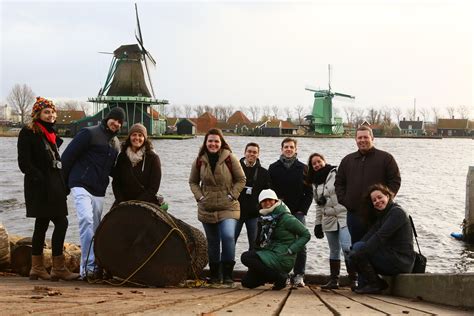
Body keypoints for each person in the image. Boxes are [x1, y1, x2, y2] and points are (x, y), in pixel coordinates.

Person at [17, 97, 79, 281]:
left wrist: (62, 184)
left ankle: (38, 268)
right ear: (37, 114)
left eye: (52, 112)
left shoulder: (49, 134)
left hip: (54, 186)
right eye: (46, 112)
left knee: (42, 224)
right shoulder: (28, 133)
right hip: (40, 187)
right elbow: (24, 163)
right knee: (61, 222)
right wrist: (40, 179)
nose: (51, 115)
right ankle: (54, 268)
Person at [61, 106, 125, 280]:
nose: (116, 123)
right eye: (114, 119)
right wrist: (63, 185)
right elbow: (67, 157)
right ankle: (86, 269)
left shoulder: (116, 143)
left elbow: (113, 170)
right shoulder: (88, 133)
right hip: (80, 183)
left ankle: (95, 266)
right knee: (86, 220)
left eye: (120, 122)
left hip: (99, 189)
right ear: (107, 118)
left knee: (96, 228)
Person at [188, 128, 246, 286]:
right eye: (210, 141)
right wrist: (199, 197)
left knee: (228, 236)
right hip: (207, 206)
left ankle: (227, 274)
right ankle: (215, 275)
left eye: (216, 141)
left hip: (228, 206)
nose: (213, 144)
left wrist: (232, 195)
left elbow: (241, 179)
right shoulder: (200, 160)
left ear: (221, 143)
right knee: (212, 242)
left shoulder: (230, 158)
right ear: (206, 143)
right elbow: (193, 181)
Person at [335, 125, 401, 245]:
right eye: (359, 138)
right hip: (354, 215)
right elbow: (339, 183)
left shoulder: (386, 158)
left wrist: (385, 201)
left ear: (372, 138)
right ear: (355, 140)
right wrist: (345, 200)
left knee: (379, 248)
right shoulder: (347, 160)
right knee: (357, 249)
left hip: (378, 214)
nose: (362, 140)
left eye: (366, 137)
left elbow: (395, 181)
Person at [349, 184, 416, 294]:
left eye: (380, 197)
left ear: (388, 196)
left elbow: (379, 237)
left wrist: (359, 253)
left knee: (359, 249)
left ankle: (375, 284)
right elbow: (370, 235)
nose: (377, 201)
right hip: (390, 256)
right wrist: (353, 252)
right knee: (356, 248)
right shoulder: (384, 215)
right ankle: (374, 283)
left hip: (401, 261)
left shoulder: (397, 213)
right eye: (374, 200)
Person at [241, 189, 311, 290]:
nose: (267, 203)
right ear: (260, 204)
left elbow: (306, 234)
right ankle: (278, 278)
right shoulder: (264, 218)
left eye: (270, 200)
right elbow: (259, 242)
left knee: (246, 257)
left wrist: (292, 249)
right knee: (247, 282)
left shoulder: (285, 217)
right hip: (269, 254)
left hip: (283, 256)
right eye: (264, 201)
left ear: (275, 200)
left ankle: (280, 277)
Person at [306, 153, 355, 289]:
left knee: (347, 248)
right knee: (334, 250)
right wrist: (317, 224)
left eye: (319, 161)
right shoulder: (314, 183)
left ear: (324, 161)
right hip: (328, 219)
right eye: (313, 164)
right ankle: (334, 280)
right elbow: (318, 205)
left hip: (343, 216)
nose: (317, 165)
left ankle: (354, 279)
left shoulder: (336, 173)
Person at [268, 137, 313, 287]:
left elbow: (309, 193)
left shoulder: (303, 168)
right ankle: (283, 275)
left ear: (295, 149)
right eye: (286, 147)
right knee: (279, 242)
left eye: (291, 147)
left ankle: (299, 274)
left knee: (301, 243)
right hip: (279, 212)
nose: (288, 149)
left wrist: (303, 210)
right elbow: (269, 192)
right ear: (282, 149)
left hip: (297, 211)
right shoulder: (273, 168)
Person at [112, 123, 162, 205]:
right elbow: (116, 182)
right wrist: (121, 201)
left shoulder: (153, 158)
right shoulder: (122, 156)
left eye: (140, 135)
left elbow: (154, 187)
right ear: (129, 137)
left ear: (144, 138)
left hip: (145, 201)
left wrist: (136, 203)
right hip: (123, 201)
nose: (137, 138)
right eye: (134, 135)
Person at [235, 142, 271, 251]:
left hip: (254, 215)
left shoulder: (264, 173)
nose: (252, 154)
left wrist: (261, 210)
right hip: (236, 213)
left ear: (258, 154)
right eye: (249, 151)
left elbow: (268, 194)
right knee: (230, 241)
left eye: (255, 152)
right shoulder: (235, 169)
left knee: (254, 244)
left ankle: (252, 268)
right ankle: (227, 267)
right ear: (244, 153)